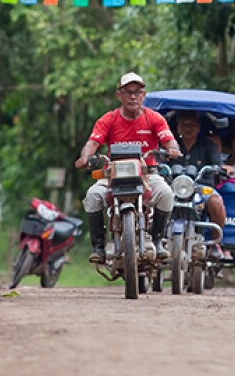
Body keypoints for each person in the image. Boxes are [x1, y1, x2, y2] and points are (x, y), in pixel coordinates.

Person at [75, 72, 182, 263]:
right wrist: (85, 157)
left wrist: (172, 149)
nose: (133, 96)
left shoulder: (154, 119)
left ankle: (158, 240)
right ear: (119, 95)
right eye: (128, 92)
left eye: (137, 92)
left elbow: (169, 139)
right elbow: (93, 142)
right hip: (112, 175)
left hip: (147, 174)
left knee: (166, 194)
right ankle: (98, 247)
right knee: (92, 196)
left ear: (144, 95)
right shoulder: (108, 119)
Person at [168, 111, 230, 255]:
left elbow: (218, 164)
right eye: (184, 124)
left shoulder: (208, 145)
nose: (188, 128)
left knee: (216, 201)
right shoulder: (171, 146)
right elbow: (161, 160)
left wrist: (220, 168)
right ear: (178, 128)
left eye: (192, 125)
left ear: (198, 127)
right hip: (174, 188)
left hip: (202, 188)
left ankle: (215, 244)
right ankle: (156, 238)